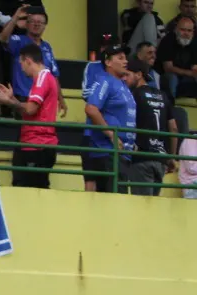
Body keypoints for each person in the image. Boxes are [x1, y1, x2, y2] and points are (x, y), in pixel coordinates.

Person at [0, 43, 59, 188]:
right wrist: (12, 99)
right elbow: (29, 110)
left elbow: (30, 110)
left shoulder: (41, 79)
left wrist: (9, 102)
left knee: (30, 187)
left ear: (28, 60)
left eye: (21, 63)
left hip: (37, 144)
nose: (21, 67)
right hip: (35, 144)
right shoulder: (44, 78)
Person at [83, 44, 136, 193]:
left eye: (125, 58)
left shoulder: (122, 84)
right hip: (107, 153)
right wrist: (111, 134)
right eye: (120, 58)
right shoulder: (105, 80)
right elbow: (91, 109)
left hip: (123, 153)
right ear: (108, 62)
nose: (125, 61)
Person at [0, 5, 65, 113]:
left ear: (45, 26)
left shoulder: (47, 47)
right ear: (27, 24)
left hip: (44, 98)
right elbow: (3, 38)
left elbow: (54, 75)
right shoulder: (18, 41)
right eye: (33, 21)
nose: (36, 24)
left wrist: (61, 99)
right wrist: (15, 17)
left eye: (40, 22)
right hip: (22, 98)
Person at [126, 58, 177, 195]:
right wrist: (171, 156)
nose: (124, 79)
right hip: (160, 160)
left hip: (141, 158)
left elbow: (129, 123)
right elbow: (174, 128)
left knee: (141, 207)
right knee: (153, 206)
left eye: (127, 74)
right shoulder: (163, 95)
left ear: (138, 74)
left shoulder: (133, 95)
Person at [157, 15, 197, 99]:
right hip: (166, 76)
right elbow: (168, 68)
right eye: (182, 30)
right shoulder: (167, 40)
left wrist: (194, 72)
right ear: (176, 30)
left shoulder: (194, 42)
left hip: (186, 77)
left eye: (189, 31)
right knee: (172, 78)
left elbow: (195, 67)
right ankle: (171, 106)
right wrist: (190, 73)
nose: (186, 33)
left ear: (193, 32)